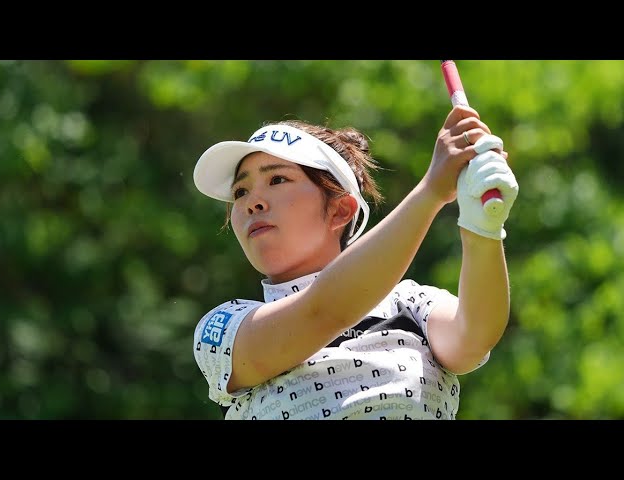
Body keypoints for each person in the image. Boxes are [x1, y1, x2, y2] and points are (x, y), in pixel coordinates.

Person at [191, 105, 519, 420]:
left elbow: (473, 340)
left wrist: (482, 229)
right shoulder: (222, 329)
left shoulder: (411, 302)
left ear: (340, 210)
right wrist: (431, 191)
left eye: (277, 179)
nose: (252, 203)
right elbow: (322, 312)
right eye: (240, 191)